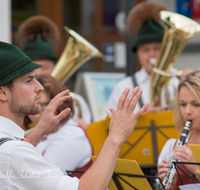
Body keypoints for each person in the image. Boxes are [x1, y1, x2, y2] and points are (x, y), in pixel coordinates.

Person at [0, 41, 149, 189]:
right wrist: (115, 137)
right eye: (28, 81)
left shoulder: (11, 150)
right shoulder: (13, 152)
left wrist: (40, 131)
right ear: (3, 92)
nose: (39, 87)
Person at [15, 15, 91, 127]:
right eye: (33, 69)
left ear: (54, 67)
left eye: (45, 67)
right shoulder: (14, 101)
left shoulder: (75, 101)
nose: (39, 73)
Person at [107, 2, 180, 114]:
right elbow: (111, 124)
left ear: (165, 50)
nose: (151, 54)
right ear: (138, 53)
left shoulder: (179, 80)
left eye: (156, 48)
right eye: (145, 50)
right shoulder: (123, 87)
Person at [24, 74, 93, 178]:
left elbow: (42, 180)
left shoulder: (72, 135)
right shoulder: (42, 132)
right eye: (31, 105)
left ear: (60, 103)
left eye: (43, 105)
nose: (37, 112)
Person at [157, 69, 200, 189]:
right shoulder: (171, 147)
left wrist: (197, 171)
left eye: (196, 104)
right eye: (183, 104)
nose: (187, 112)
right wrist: (171, 186)